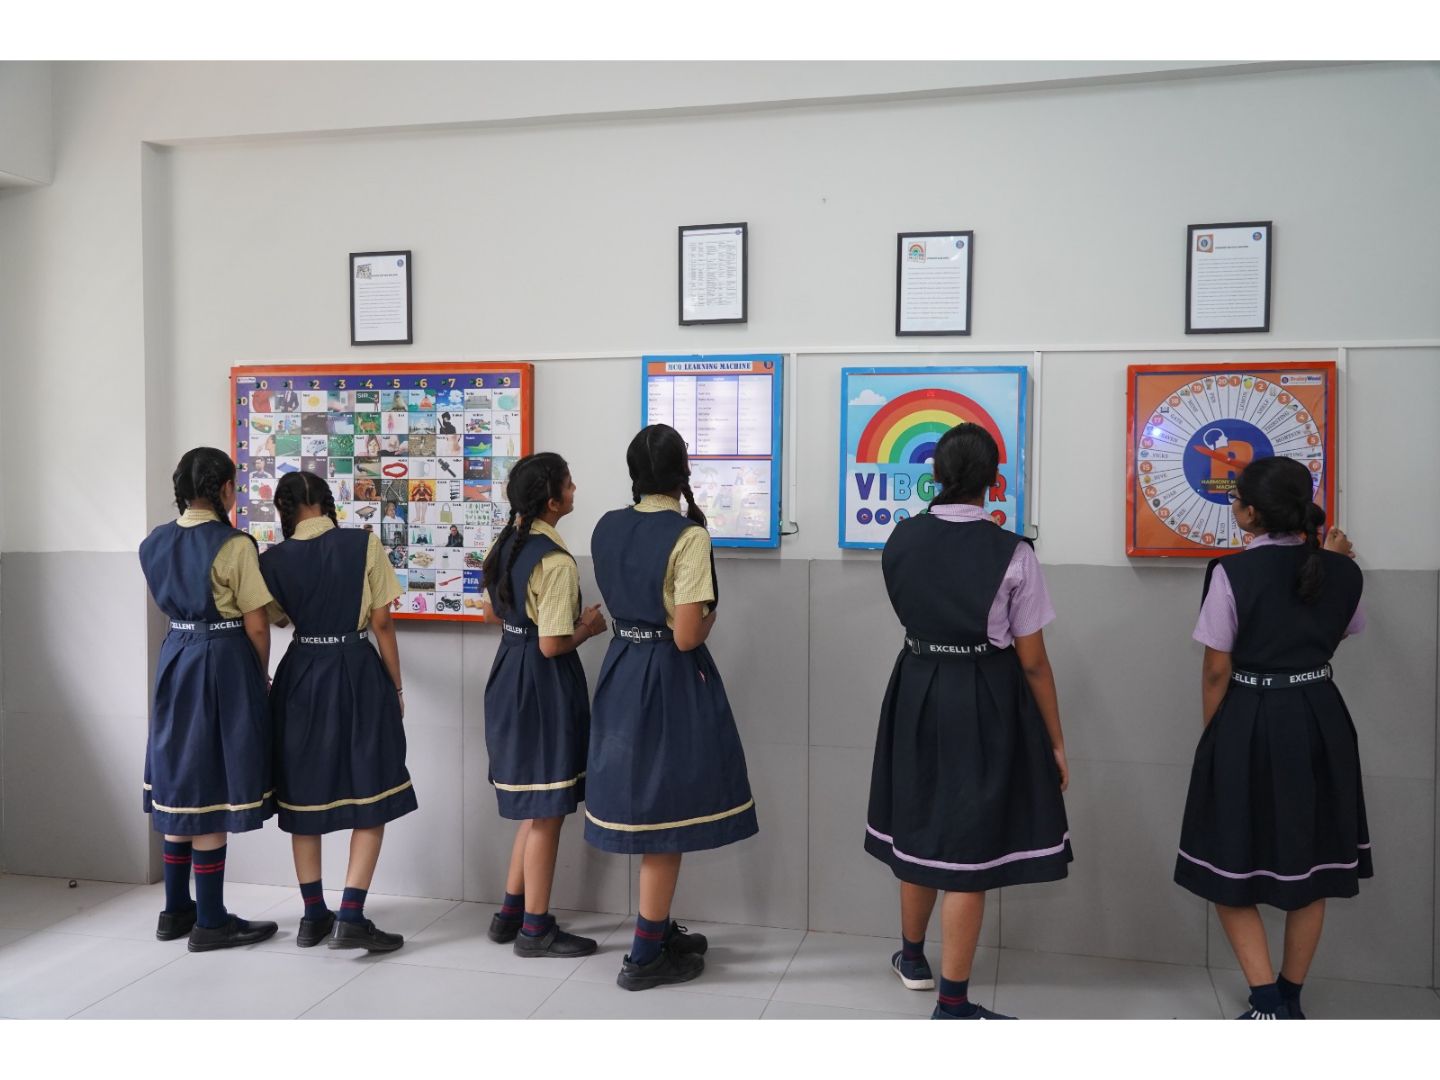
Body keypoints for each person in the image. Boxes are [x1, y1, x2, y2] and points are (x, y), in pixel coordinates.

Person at [865, 423, 1071, 1020]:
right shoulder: (1013, 552)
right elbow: (1033, 662)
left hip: (915, 687)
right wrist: (1055, 740)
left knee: (919, 825)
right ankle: (952, 1006)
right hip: (982, 697)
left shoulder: (901, 537)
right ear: (993, 481)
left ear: (935, 474)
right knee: (968, 855)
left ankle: (912, 958)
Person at [1175, 456, 1366, 1020]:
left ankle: (1265, 1003)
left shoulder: (1231, 572)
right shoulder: (1344, 570)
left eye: (1236, 499)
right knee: (1312, 867)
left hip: (1250, 716)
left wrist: (1215, 737)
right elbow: (1337, 629)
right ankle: (1289, 998)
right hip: (1321, 716)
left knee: (1226, 862)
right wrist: (1331, 561)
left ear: (1250, 513)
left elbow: (1217, 670)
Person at [587, 425, 758, 990]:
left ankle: (656, 931)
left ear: (633, 473)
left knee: (647, 806)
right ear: (683, 472)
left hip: (620, 668)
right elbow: (687, 635)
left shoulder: (606, 525)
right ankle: (643, 955)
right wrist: (711, 618)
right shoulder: (689, 536)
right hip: (667, 676)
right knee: (665, 817)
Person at [261, 472, 417, 952]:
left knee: (302, 799)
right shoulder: (362, 544)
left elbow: (277, 619)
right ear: (327, 502)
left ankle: (313, 916)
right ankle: (351, 914)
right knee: (372, 788)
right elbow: (382, 622)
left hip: (300, 674)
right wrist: (396, 685)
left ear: (285, 509)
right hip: (356, 670)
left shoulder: (272, 560)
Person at [137, 447, 279, 951]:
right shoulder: (234, 544)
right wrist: (258, 676)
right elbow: (257, 623)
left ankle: (175, 910)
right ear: (225, 489)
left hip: (175, 657)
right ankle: (212, 922)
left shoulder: (153, 542)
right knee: (213, 787)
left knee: (179, 778)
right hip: (221, 661)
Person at [481, 453, 608, 957]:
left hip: (508, 673)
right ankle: (535, 929)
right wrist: (588, 628)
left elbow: (493, 613)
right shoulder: (554, 561)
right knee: (548, 811)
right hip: (541, 683)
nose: (575, 490)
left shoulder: (507, 543)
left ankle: (509, 914)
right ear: (552, 501)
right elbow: (553, 644)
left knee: (535, 806)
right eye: (569, 485)